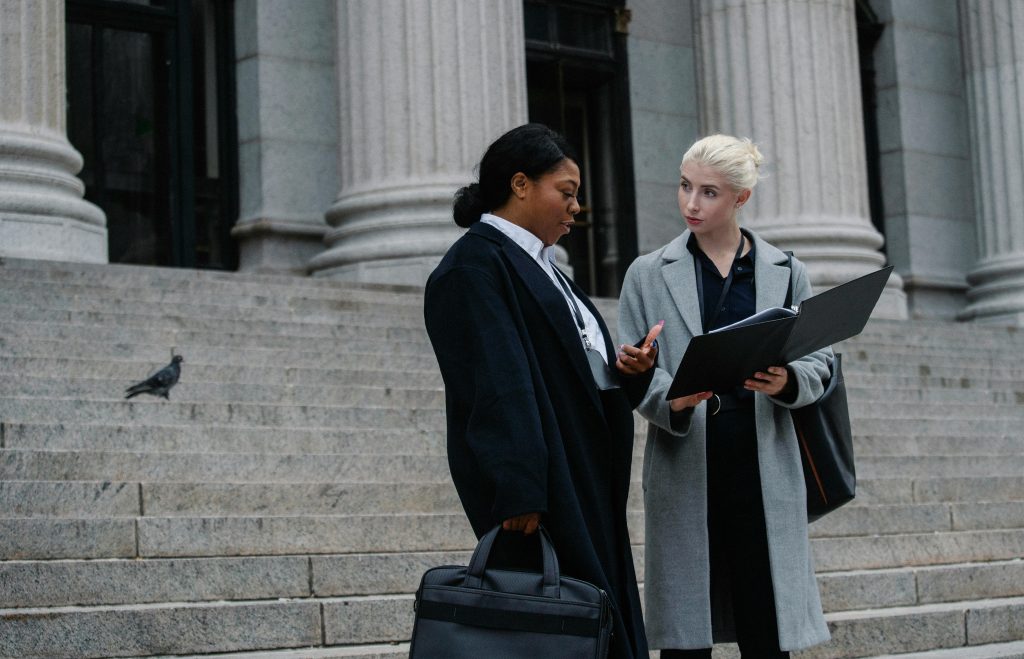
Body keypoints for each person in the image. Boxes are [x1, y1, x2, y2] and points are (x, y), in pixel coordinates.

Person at [424, 123, 662, 659]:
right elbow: (495, 382)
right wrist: (519, 487)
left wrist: (630, 371)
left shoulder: (540, 263)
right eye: (567, 192)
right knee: (566, 624)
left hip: (583, 469)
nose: (576, 207)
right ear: (521, 184)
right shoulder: (474, 265)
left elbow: (575, 369)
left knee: (595, 613)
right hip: (543, 482)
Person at [617, 134, 832, 658]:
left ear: (741, 199)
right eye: (685, 186)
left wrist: (789, 381)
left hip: (764, 460)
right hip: (687, 459)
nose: (692, 203)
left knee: (767, 624)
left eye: (709, 192)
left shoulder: (785, 271)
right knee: (685, 636)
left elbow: (821, 360)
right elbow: (630, 370)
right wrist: (664, 391)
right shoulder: (647, 273)